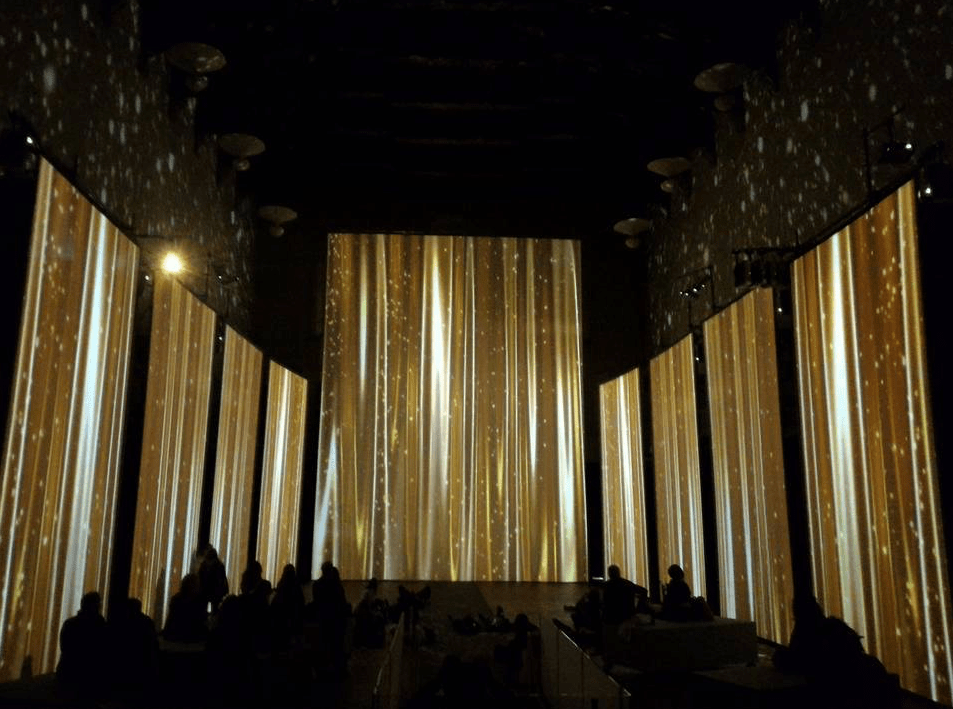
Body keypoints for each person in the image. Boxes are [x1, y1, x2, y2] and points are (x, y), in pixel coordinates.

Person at [57, 591, 109, 699]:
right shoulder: (101, 627)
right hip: (90, 678)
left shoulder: (70, 624)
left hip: (69, 674)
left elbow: (65, 647)